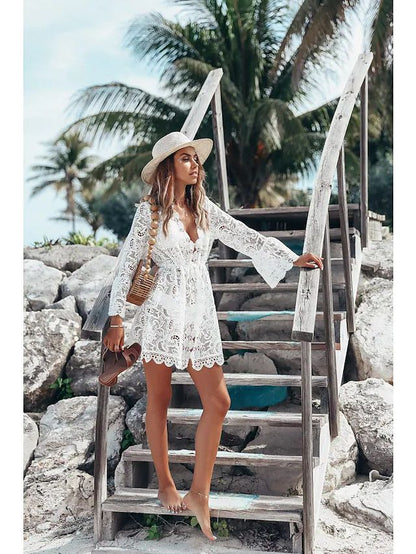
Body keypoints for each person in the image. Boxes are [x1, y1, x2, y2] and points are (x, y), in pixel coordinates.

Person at [103, 131, 323, 542]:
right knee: (160, 399)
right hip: (162, 314)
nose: (194, 164)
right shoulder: (149, 213)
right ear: (168, 167)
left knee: (218, 401)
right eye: (185, 158)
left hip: (199, 314)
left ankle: (199, 492)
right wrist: (116, 318)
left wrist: (291, 257)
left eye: (195, 158)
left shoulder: (202, 207)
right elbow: (127, 264)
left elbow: (241, 234)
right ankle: (166, 484)